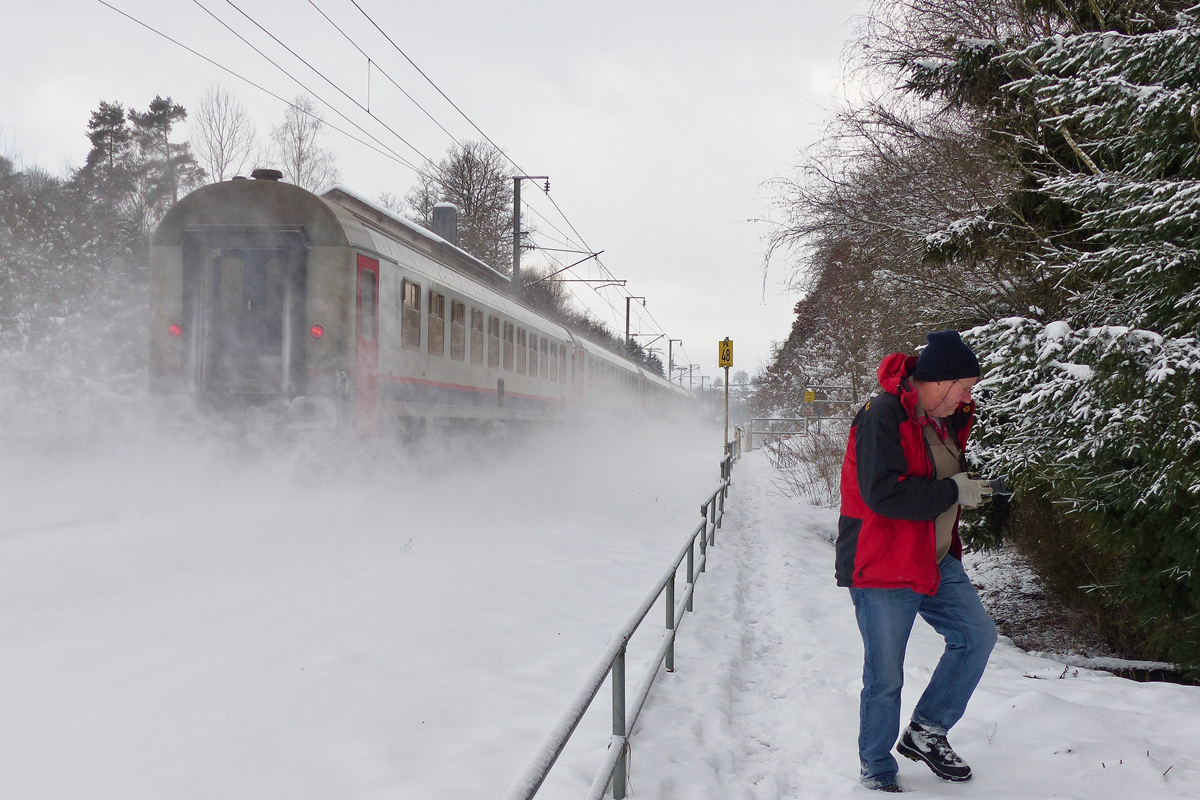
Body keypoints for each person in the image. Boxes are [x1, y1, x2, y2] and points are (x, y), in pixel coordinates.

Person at [836, 330, 998, 793]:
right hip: (884, 563)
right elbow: (883, 493)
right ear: (941, 380)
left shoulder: (941, 419)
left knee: (976, 637)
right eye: (965, 386)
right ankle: (875, 762)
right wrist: (954, 491)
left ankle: (927, 729)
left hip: (935, 555)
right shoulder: (882, 415)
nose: (968, 397)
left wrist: (973, 487)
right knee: (885, 674)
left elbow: (937, 475)